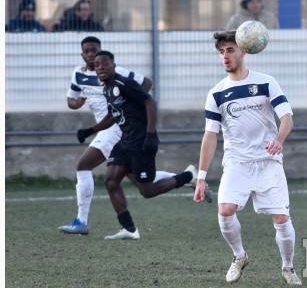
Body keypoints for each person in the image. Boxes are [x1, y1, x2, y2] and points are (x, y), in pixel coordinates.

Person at [57, 37, 212, 235]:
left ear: (113, 64)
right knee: (114, 180)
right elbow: (112, 113)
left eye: (102, 61)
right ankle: (129, 229)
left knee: (144, 189)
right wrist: (90, 130)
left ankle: (188, 176)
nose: (99, 65)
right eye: (96, 63)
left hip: (135, 138)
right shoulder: (105, 86)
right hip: (122, 139)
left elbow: (150, 101)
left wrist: (147, 129)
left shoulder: (122, 82)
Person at [193, 30, 302, 285]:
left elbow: (287, 118)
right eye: (221, 52)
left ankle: (288, 267)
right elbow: (210, 136)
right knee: (225, 210)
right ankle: (239, 256)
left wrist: (279, 140)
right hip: (237, 162)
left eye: (230, 50)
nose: (225, 56)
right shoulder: (216, 93)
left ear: (244, 50)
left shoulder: (266, 82)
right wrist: (201, 177)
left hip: (268, 161)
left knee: (282, 218)